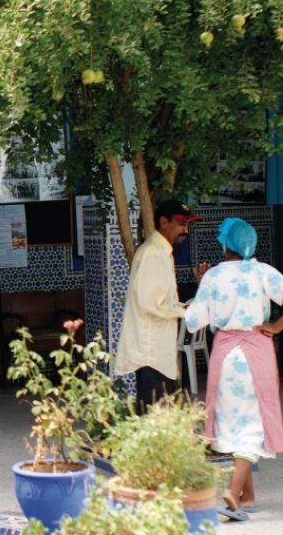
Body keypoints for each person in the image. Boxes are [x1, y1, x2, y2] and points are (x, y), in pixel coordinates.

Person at [185, 217, 283, 520]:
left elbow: (192, 321)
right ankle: (233, 491)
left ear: (225, 245)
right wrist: (275, 326)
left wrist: (201, 284)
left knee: (236, 424)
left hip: (225, 357)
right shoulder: (262, 272)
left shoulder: (213, 276)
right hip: (257, 351)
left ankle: (246, 497)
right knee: (253, 425)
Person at [115, 200, 208, 412]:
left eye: (188, 224)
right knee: (151, 417)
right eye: (180, 223)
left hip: (159, 352)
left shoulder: (162, 252)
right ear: (164, 222)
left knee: (160, 417)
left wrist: (183, 307)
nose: (185, 229)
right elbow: (149, 302)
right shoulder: (153, 254)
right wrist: (184, 311)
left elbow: (161, 300)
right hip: (151, 353)